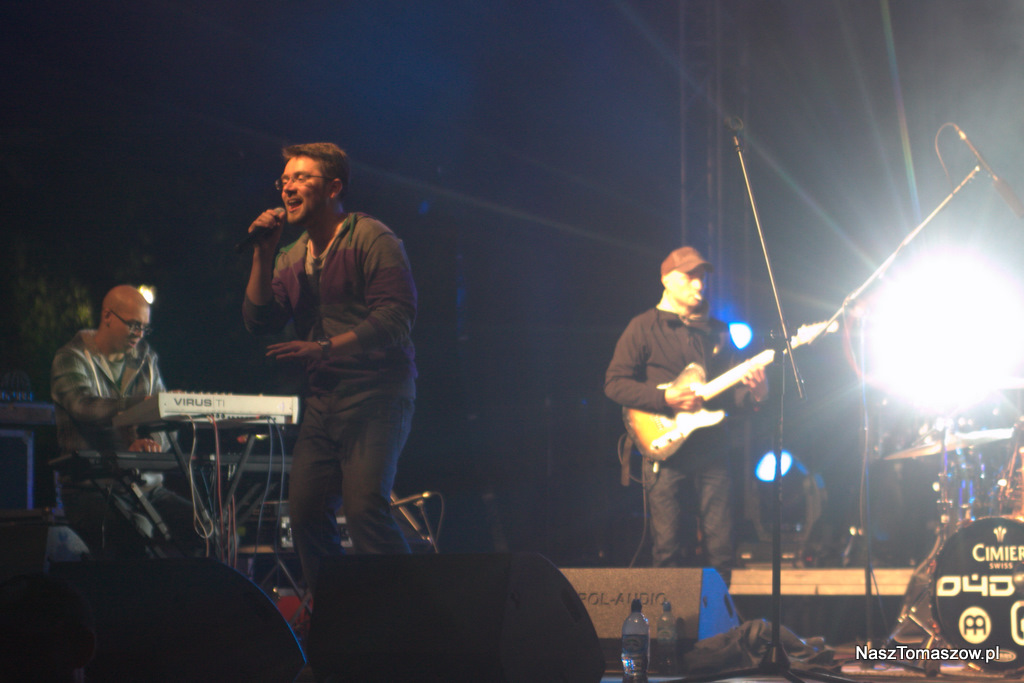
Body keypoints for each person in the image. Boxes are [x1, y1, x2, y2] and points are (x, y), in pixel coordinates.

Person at [243, 142, 417, 593]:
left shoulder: (371, 237)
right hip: (324, 402)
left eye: (301, 178)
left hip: (377, 395)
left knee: (364, 511)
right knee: (305, 516)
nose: (288, 188)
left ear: (334, 187)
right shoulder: (290, 256)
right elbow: (259, 320)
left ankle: (413, 615)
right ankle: (340, 617)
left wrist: (324, 348)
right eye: (284, 180)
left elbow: (396, 317)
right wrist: (263, 253)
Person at [605, 247, 767, 573]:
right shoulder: (642, 327)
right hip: (664, 450)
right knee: (667, 550)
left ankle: (719, 608)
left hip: (712, 447)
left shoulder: (718, 331)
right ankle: (670, 609)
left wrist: (756, 394)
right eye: (689, 276)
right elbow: (614, 384)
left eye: (702, 278)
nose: (699, 284)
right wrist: (665, 398)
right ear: (666, 279)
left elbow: (729, 398)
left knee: (721, 550)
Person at [51, 284, 201, 557]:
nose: (139, 334)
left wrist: (151, 444)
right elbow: (83, 407)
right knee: (131, 538)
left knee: (206, 529)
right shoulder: (70, 358)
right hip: (93, 488)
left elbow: (164, 422)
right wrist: (142, 405)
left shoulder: (146, 359)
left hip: (147, 489)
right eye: (133, 325)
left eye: (144, 328)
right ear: (107, 316)